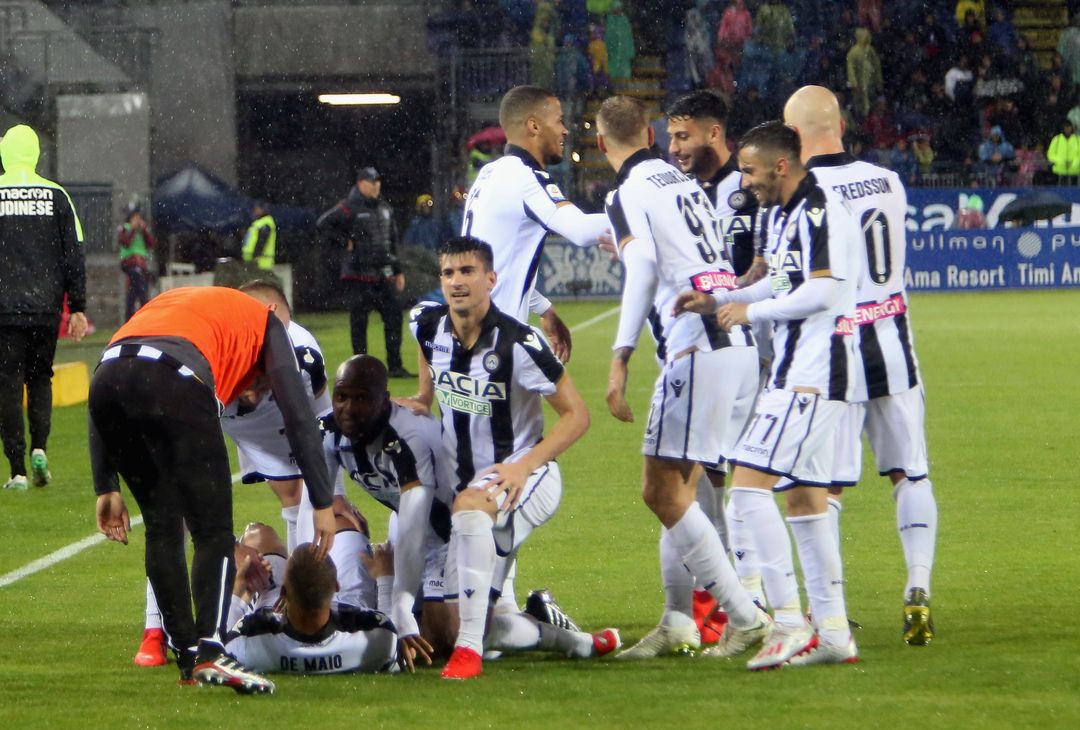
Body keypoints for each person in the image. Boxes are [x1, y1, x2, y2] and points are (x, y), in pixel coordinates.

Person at [675, 120, 861, 668]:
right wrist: (720, 300)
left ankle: (787, 622)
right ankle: (833, 633)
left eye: (751, 170)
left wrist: (751, 313)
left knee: (746, 492)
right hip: (794, 371)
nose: (745, 181)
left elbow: (823, 290)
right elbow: (780, 283)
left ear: (781, 166)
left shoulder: (822, 210)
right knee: (805, 503)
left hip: (814, 373)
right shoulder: (779, 213)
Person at [89, 286, 338, 694]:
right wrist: (323, 500)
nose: (253, 392)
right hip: (175, 380)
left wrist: (106, 485)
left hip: (108, 382)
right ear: (272, 309)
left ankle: (187, 657)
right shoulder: (267, 322)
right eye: (261, 383)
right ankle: (210, 649)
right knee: (213, 531)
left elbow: (113, 369)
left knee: (162, 527)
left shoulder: (173, 306)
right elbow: (298, 415)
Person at [596, 95, 772, 661]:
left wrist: (620, 355)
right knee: (685, 490)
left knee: (662, 490)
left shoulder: (624, 192)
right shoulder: (684, 184)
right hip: (735, 340)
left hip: (698, 345)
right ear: (649, 134)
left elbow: (645, 265)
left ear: (600, 143)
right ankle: (678, 619)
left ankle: (745, 616)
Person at [409, 237, 617, 679]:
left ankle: (469, 655)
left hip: (525, 475)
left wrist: (524, 465)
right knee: (451, 627)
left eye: (467, 272)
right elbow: (423, 346)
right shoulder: (428, 324)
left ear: (491, 279)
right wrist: (425, 395)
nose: (457, 281)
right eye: (448, 273)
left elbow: (577, 415)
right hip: (469, 490)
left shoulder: (519, 342)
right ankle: (573, 641)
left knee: (470, 515)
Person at [784, 85, 939, 646]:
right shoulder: (889, 180)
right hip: (894, 341)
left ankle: (829, 608)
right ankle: (917, 585)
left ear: (793, 135)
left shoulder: (805, 193)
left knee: (824, 487)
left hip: (837, 350)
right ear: (842, 126)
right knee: (910, 471)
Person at [665, 89, 771, 636]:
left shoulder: (749, 188)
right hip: (706, 348)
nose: (674, 147)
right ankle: (729, 597)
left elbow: (767, 265)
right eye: (671, 137)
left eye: (684, 136)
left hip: (758, 350)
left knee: (748, 476)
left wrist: (726, 292)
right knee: (707, 472)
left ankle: (753, 597)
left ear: (714, 132)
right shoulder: (681, 193)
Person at [311, 354, 456, 662]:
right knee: (412, 642)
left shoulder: (408, 437)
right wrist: (306, 586)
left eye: (361, 399)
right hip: (406, 523)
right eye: (341, 397)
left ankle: (537, 623)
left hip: (452, 534)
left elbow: (417, 529)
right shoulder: (327, 429)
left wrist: (401, 604)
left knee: (444, 640)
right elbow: (314, 506)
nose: (348, 408)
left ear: (384, 400)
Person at [461, 85, 609, 363]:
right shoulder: (524, 177)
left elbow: (497, 266)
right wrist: (640, 213)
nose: (565, 131)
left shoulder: (489, 173)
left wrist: (543, 307)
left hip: (469, 335)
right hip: (498, 343)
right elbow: (580, 230)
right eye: (559, 121)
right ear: (534, 126)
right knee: (569, 395)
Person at [0, 124, 88, 492]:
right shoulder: (57, 196)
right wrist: (78, 306)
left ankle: (17, 470)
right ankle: (40, 448)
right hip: (45, 308)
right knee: (40, 379)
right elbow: (74, 254)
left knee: (7, 384)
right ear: (35, 154)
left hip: (4, 310)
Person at [225, 537, 400, 675]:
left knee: (260, 535)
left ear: (283, 592)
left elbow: (223, 644)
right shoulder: (379, 641)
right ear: (336, 587)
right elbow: (391, 636)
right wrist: (385, 577)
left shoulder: (247, 643)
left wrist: (239, 592)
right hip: (351, 600)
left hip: (275, 607)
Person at [316, 167, 411, 378]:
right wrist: (344, 242)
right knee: (359, 323)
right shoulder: (349, 207)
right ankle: (361, 367)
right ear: (360, 183)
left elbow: (391, 242)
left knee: (394, 318)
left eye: (378, 181)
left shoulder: (385, 208)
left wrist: (398, 270)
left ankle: (395, 366)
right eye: (371, 181)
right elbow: (323, 224)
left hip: (383, 273)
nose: (376, 185)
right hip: (358, 274)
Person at [117, 205, 156, 322]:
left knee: (133, 292)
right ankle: (145, 310)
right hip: (130, 263)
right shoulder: (125, 228)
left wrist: (144, 230)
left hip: (141, 264)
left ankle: (130, 318)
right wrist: (133, 229)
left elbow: (151, 244)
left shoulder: (142, 231)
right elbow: (125, 242)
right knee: (141, 289)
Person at [241, 201, 276, 271]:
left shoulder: (265, 223)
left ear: (262, 209)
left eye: (257, 208)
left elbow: (262, 241)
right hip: (256, 262)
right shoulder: (260, 222)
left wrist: (255, 256)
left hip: (261, 263)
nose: (254, 210)